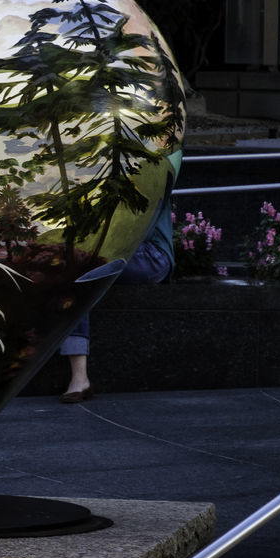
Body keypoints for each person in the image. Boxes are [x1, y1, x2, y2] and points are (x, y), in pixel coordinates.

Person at [59, 163, 177, 403]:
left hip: (151, 255)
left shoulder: (151, 171)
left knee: (82, 268)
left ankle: (80, 378)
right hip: (118, 252)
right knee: (76, 269)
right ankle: (80, 380)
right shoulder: (110, 170)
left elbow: (134, 234)